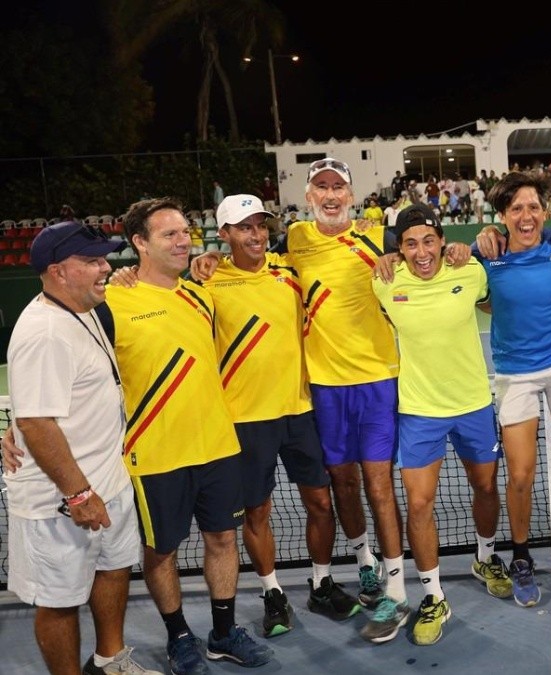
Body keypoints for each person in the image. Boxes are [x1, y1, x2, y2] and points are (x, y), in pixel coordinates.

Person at [194, 159, 410, 643]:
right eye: (321, 187)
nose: (331, 195)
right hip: (286, 404)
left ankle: (367, 585)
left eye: (339, 187)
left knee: (356, 492)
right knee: (314, 495)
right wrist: (204, 259)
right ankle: (300, 583)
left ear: (352, 195)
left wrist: (460, 249)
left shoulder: (370, 240)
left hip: (344, 392)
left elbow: (427, 253)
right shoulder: (285, 246)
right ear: (309, 196)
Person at [107, 198, 272, 673]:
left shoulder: (201, 294)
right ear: (139, 243)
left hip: (218, 446)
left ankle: (223, 633)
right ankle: (180, 637)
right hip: (155, 454)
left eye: (186, 232)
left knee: (223, 538)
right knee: (161, 552)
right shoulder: (112, 302)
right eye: (170, 235)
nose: (184, 241)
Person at [4, 222, 162, 675]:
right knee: (59, 601)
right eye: (91, 261)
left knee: (113, 571)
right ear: (57, 271)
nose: (104, 268)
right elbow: (37, 421)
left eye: (103, 259)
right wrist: (77, 494)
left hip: (106, 481)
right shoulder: (44, 332)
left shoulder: (85, 307)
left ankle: (110, 661)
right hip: (61, 500)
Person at [201, 196, 351, 635]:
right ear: (224, 234)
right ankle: (272, 593)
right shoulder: (207, 282)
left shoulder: (290, 273)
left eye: (260, 226)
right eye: (243, 227)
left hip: (301, 411)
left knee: (321, 503)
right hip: (246, 419)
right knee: (257, 512)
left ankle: (321, 584)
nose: (256, 235)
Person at [372, 203, 513, 645]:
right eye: (409, 243)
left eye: (428, 240)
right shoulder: (385, 280)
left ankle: (485, 556)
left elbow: (500, 293)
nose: (421, 251)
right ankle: (433, 596)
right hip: (418, 410)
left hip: (473, 403)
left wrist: (477, 241)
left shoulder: (469, 271)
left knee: (486, 488)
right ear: (399, 248)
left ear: (441, 240)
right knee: (418, 505)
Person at [470, 171, 551, 605]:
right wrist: (475, 239)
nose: (527, 216)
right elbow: (443, 258)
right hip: (515, 375)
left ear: (545, 212)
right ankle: (521, 557)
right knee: (520, 475)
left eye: (533, 207)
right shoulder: (487, 253)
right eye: (517, 209)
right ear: (503, 216)